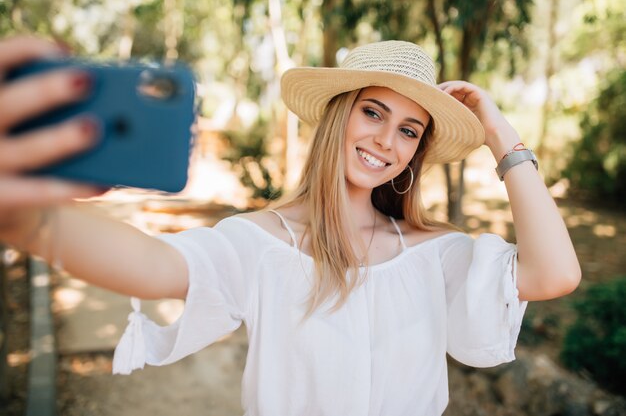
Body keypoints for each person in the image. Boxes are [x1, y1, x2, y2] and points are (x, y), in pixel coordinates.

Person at [0, 36, 580, 415]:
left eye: (409, 130)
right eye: (373, 112)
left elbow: (554, 274)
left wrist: (501, 134)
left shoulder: (436, 254)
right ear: (337, 116)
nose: (386, 139)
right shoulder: (260, 244)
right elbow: (154, 265)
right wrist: (26, 218)